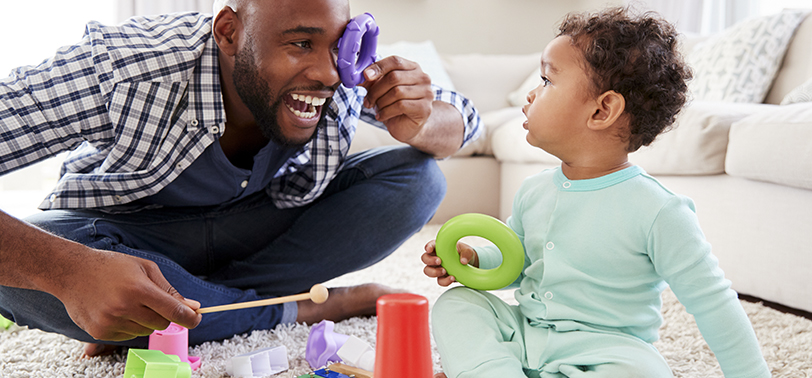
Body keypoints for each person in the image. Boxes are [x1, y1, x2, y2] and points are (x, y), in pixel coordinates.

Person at [0, 0, 482, 357]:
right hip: (125, 234)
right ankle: (306, 307)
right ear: (229, 31)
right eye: (300, 44)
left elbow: (464, 118)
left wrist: (420, 120)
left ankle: (194, 312)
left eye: (338, 45)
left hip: (252, 228)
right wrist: (68, 272)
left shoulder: (343, 73)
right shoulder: (123, 67)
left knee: (419, 179)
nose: (328, 72)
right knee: (29, 261)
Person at [421, 7, 770, 378]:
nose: (530, 94)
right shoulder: (533, 190)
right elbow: (520, 263)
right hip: (525, 333)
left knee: (645, 371)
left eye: (547, 81)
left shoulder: (658, 210)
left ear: (603, 110)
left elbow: (713, 303)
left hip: (607, 350)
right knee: (457, 304)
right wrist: (476, 259)